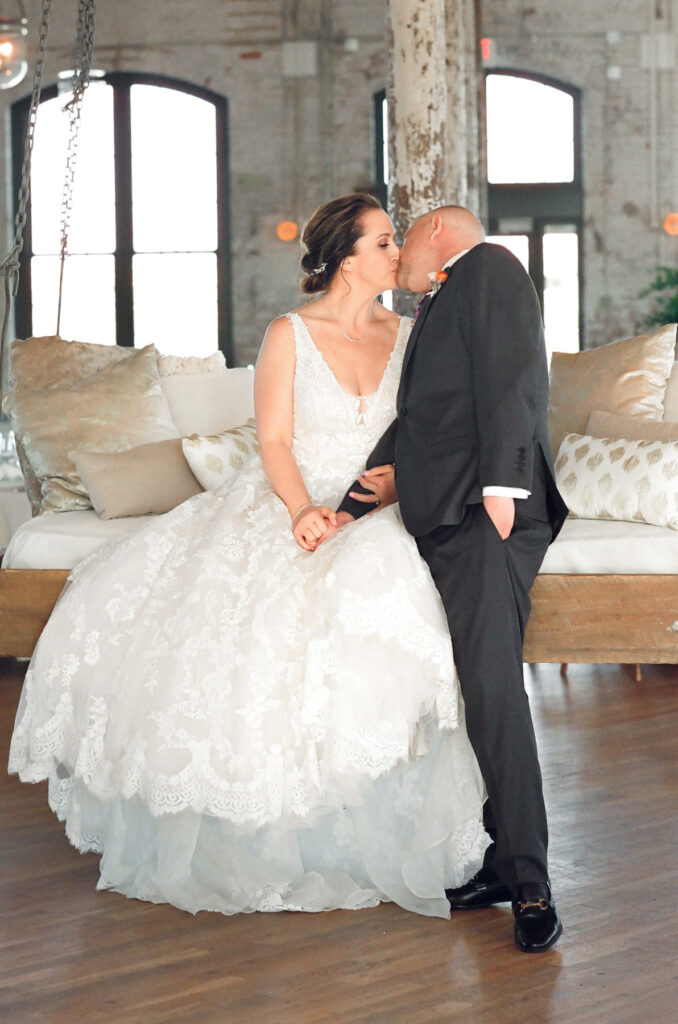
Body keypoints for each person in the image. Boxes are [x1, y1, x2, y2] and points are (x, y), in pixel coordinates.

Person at [9, 193, 488, 918]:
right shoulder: (289, 333)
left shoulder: (411, 331)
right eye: (385, 242)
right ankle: (261, 826)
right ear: (345, 256)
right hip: (291, 499)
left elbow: (423, 433)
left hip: (377, 508)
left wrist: (389, 493)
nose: (401, 254)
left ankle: (368, 820)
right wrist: (301, 510)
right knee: (246, 627)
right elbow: (272, 441)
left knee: (380, 584)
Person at [334, 206, 569, 953]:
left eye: (405, 238)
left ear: (439, 232)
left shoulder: (491, 268)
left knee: (495, 687)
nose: (398, 255)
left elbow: (515, 375)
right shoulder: (445, 297)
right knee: (475, 684)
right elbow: (424, 413)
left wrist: (502, 488)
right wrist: (353, 498)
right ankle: (502, 862)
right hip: (446, 511)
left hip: (482, 514)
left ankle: (530, 882)